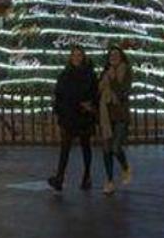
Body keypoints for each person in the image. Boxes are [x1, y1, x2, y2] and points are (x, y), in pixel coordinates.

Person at [48, 47, 99, 192]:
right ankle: (60, 177)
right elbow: (59, 93)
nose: (76, 58)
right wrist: (59, 111)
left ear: (83, 57)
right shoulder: (65, 74)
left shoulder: (89, 74)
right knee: (65, 148)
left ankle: (87, 175)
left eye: (79, 55)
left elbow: (94, 93)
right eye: (74, 55)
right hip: (69, 115)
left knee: (85, 146)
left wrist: (89, 105)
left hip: (83, 115)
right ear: (71, 57)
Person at [98, 46, 133, 195]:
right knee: (106, 149)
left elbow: (123, 91)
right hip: (106, 114)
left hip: (120, 114)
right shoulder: (105, 72)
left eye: (116, 54)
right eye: (111, 55)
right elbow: (98, 89)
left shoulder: (126, 71)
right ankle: (110, 181)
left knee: (116, 147)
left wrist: (112, 80)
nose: (113, 57)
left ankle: (125, 167)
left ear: (121, 56)